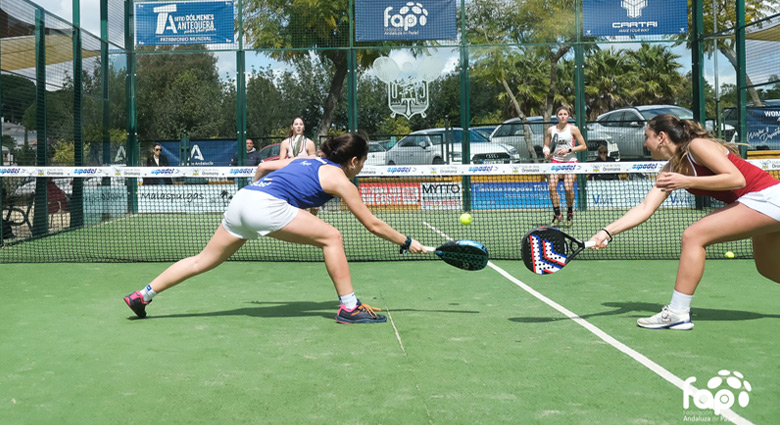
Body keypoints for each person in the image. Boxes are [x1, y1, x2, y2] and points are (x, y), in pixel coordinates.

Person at [124, 133, 426, 324]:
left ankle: (143, 295)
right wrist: (407, 241)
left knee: (201, 260)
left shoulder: (307, 161)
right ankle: (349, 307)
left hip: (243, 199)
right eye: (363, 162)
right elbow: (371, 223)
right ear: (354, 161)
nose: (362, 168)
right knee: (332, 237)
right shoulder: (340, 180)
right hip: (264, 207)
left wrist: (260, 195)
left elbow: (266, 167)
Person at [588, 114, 780, 330]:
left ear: (661, 137)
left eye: (647, 136)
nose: (644, 143)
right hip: (763, 204)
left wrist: (687, 180)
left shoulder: (697, 146)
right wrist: (606, 232)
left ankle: (677, 312)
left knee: (693, 236)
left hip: (768, 198)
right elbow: (645, 208)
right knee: (768, 268)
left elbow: (737, 179)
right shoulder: (670, 169)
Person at [543, 106, 587, 226]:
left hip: (570, 163)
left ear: (568, 116)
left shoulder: (574, 129)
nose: (562, 116)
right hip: (556, 163)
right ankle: (558, 215)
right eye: (560, 114)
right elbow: (546, 146)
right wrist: (546, 152)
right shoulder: (551, 130)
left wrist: (568, 150)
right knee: (551, 187)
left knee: (568, 188)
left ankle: (570, 212)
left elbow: (583, 146)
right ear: (557, 116)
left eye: (565, 114)